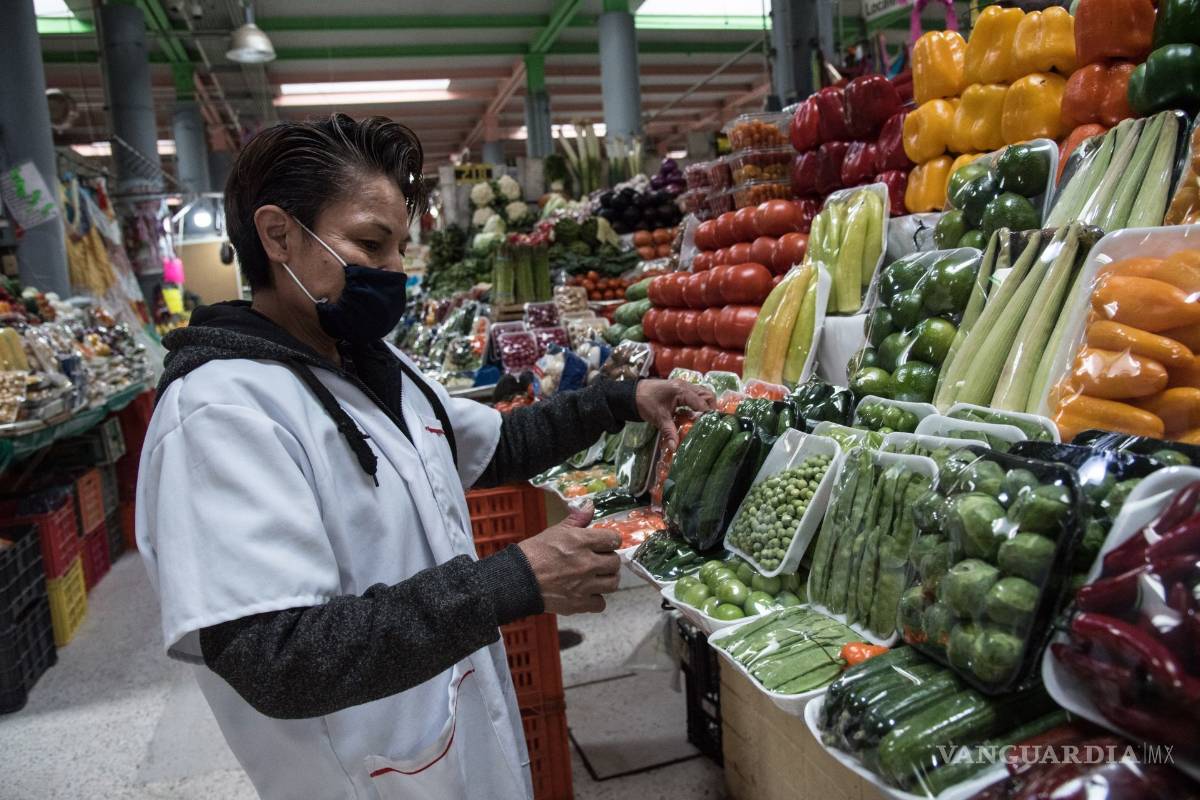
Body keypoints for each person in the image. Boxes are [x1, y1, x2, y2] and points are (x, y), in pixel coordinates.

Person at [135, 113, 713, 800]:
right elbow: (277, 659)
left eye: (401, 247)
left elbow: (495, 446)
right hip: (365, 774)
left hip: (454, 736)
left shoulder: (373, 366)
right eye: (371, 243)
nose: (395, 272)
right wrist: (509, 581)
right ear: (278, 233)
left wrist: (619, 399)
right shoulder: (220, 412)